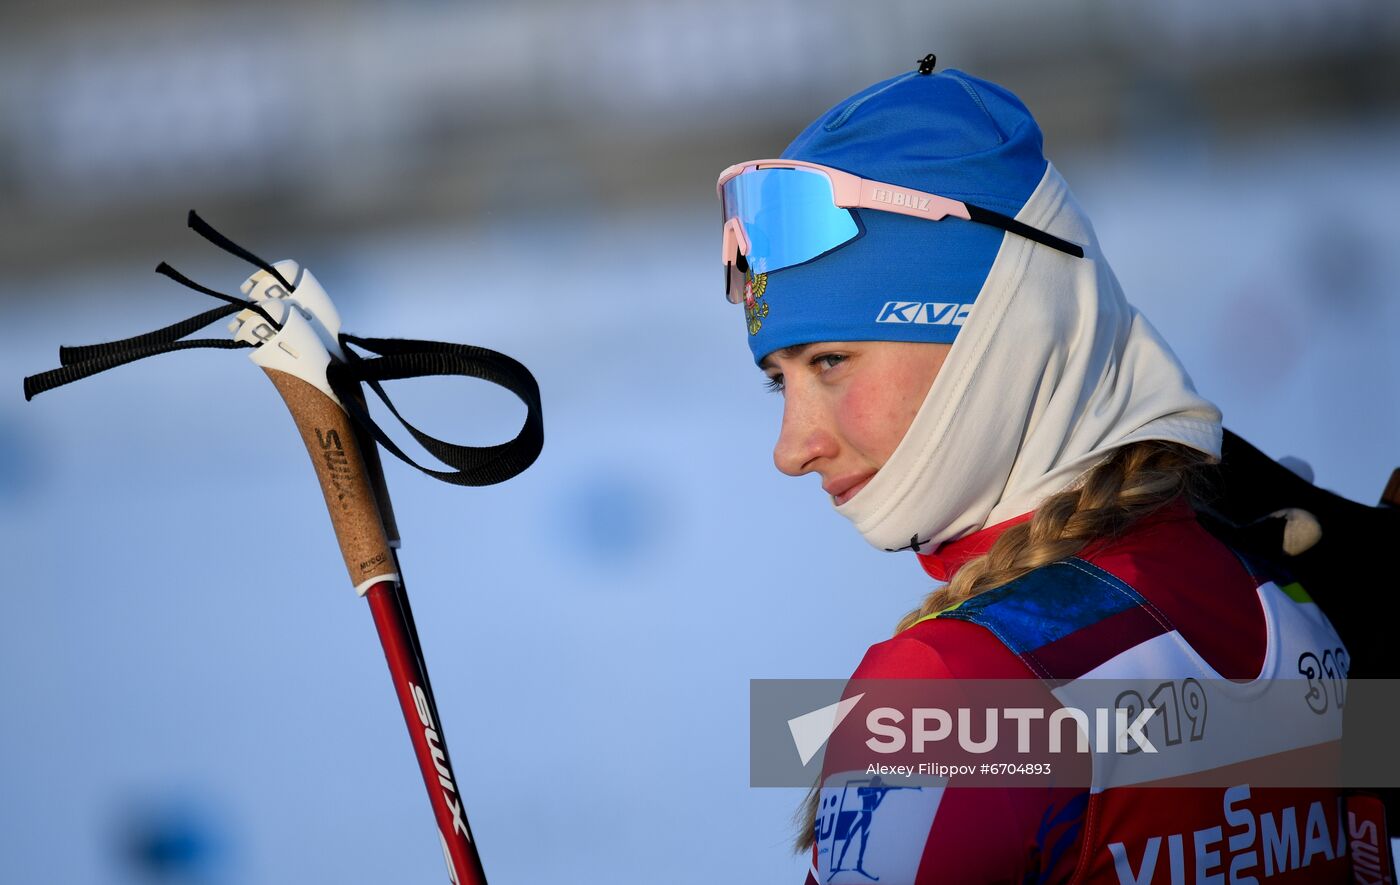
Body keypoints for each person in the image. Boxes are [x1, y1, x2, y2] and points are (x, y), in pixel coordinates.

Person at [717, 59, 1362, 883]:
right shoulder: (1291, 604)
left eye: (832, 360)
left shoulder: (950, 692)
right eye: (780, 380)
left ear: (997, 332)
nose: (792, 444)